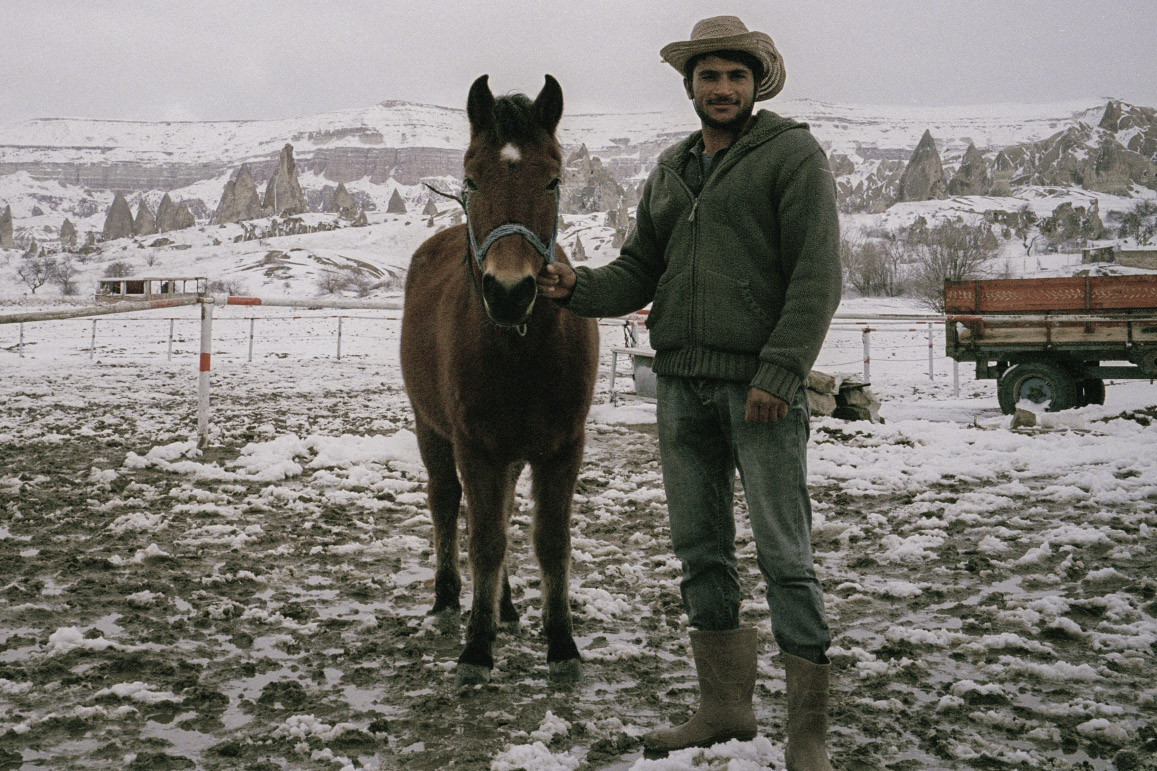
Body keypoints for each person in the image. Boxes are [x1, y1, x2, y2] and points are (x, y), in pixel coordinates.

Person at [537, 15, 840, 770]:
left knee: (784, 552)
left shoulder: (792, 156)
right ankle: (724, 707)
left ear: (757, 84)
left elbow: (816, 277)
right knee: (700, 550)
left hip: (759, 390)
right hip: (680, 386)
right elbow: (641, 268)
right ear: (690, 86)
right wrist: (578, 288)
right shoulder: (671, 170)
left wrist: (779, 371)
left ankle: (807, 734)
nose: (722, 87)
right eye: (709, 76)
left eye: (736, 75)